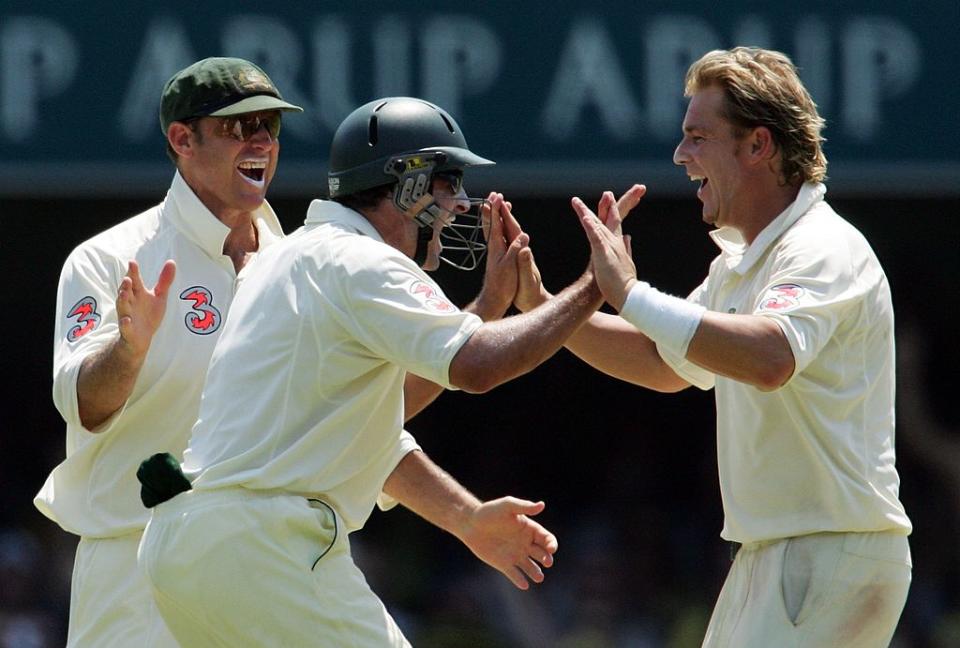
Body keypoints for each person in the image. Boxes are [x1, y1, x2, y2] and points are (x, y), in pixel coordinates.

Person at [136, 96, 616, 647]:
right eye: (447, 182)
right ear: (407, 185)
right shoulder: (361, 261)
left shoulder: (286, 259)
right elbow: (479, 366)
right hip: (265, 544)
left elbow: (367, 430)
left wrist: (466, 518)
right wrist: (597, 285)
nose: (460, 204)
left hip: (188, 550)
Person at [519, 47, 913, 646]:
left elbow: (770, 357)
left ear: (759, 146)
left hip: (831, 553)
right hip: (777, 556)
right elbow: (665, 362)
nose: (681, 155)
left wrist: (628, 292)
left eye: (698, 137)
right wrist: (544, 309)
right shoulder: (740, 263)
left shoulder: (822, 247)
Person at [34, 56, 303, 647]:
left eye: (270, 125)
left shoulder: (300, 264)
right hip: (135, 567)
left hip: (270, 568)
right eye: (238, 126)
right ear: (182, 139)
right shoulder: (111, 257)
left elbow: (346, 406)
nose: (260, 139)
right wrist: (130, 350)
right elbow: (82, 403)